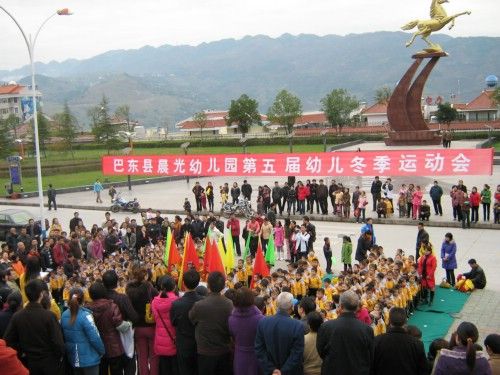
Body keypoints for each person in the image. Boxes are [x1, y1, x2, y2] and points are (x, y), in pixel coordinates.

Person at [4, 279, 65, 375]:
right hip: (50, 363)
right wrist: (59, 357)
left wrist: (21, 352)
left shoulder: (18, 316)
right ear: (41, 294)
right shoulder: (49, 316)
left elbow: (7, 340)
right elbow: (58, 343)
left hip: (30, 362)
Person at [317, 290, 374, 375]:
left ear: (340, 306)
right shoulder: (367, 329)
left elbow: (321, 351)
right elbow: (370, 356)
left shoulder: (326, 327)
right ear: (356, 307)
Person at [189, 271, 233, 375]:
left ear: (208, 285)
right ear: (223, 286)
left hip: (205, 351)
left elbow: (191, 318)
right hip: (224, 350)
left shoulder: (199, 305)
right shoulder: (229, 304)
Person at [255, 292, 305, 375]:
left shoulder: (263, 322)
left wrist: (272, 369)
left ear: (277, 304)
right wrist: (283, 371)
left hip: (269, 371)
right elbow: (297, 353)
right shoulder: (297, 325)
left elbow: (259, 349)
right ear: (292, 306)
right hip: (290, 371)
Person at [61, 287, 105, 375]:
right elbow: (94, 337)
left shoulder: (64, 315)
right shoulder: (86, 315)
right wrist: (102, 351)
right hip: (90, 359)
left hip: (73, 358)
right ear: (83, 299)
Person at [87, 281, 129, 375]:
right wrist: (129, 324)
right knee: (116, 371)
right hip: (113, 346)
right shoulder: (112, 306)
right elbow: (120, 325)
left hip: (96, 347)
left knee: (102, 371)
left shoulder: (87, 309)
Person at [102, 270, 139, 375]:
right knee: (129, 363)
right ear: (117, 282)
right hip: (124, 336)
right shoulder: (122, 298)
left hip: (107, 340)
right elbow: (134, 317)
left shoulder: (100, 299)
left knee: (115, 369)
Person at [372, 307, 428, 375]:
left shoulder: (377, 341)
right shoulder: (417, 344)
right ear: (405, 321)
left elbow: (371, 367)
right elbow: (423, 370)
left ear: (389, 321)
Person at [126, 265, 159, 375]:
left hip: (137, 327)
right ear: (145, 276)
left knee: (141, 356)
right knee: (154, 355)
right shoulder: (150, 289)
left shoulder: (129, 291)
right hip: (151, 325)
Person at [228, 287, 264, 375]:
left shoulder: (231, 319)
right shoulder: (260, 319)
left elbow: (232, 337)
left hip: (239, 355)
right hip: (257, 356)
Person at [151, 276, 179, 375]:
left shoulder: (154, 301)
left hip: (160, 340)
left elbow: (154, 318)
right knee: (174, 368)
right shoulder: (177, 301)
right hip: (174, 339)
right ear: (174, 287)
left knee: (163, 368)